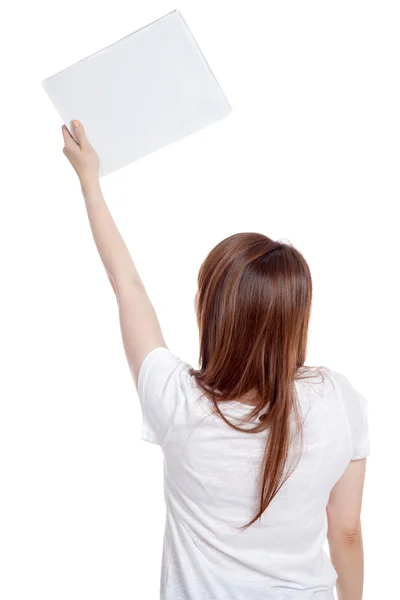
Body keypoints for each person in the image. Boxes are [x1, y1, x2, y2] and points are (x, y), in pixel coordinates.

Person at [62, 120, 370, 600]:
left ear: (211, 312)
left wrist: (89, 181)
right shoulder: (338, 400)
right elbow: (346, 532)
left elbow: (127, 286)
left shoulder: (177, 401)